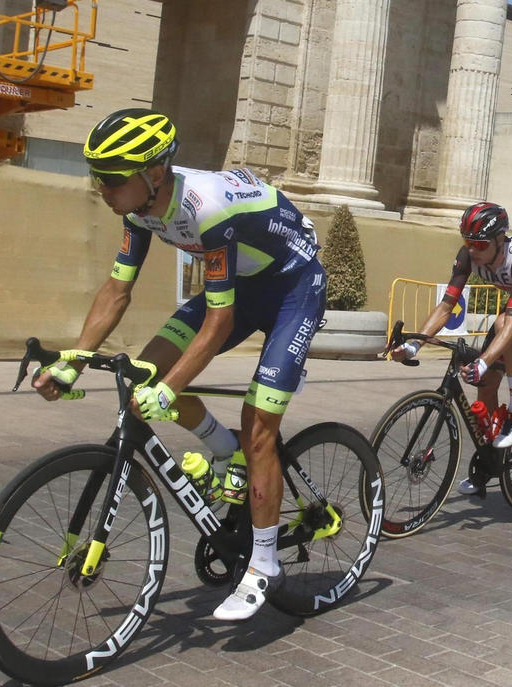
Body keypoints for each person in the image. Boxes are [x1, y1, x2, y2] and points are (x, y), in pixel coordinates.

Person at [31, 109, 324, 622]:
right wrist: (72, 361)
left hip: (293, 285)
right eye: (95, 174)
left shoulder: (204, 209)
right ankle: (220, 446)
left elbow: (217, 323)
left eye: (111, 178)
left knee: (259, 423)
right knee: (144, 375)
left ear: (154, 173)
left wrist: (170, 393)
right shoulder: (139, 209)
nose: (101, 187)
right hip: (241, 282)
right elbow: (117, 289)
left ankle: (263, 564)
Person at [391, 202, 512, 468]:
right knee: (486, 383)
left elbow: (511, 323)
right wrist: (414, 346)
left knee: (501, 328)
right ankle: (490, 462)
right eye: (468, 242)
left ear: (500, 240)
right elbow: (446, 306)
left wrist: (483, 360)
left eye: (480, 244)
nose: (472, 250)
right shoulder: (467, 256)